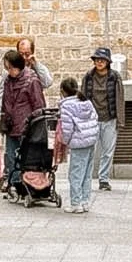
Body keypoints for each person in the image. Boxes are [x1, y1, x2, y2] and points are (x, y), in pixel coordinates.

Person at [0, 47, 47, 195]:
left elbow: (39, 105)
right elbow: (5, 101)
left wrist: (34, 125)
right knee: (11, 156)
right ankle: (14, 183)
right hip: (11, 125)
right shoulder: (8, 81)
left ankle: (26, 185)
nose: (8, 71)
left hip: (27, 127)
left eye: (10, 67)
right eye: (7, 68)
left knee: (26, 158)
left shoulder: (32, 80)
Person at [79, 46, 125, 192]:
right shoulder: (88, 76)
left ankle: (103, 179)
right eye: (97, 59)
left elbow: (120, 98)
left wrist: (120, 119)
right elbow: (83, 98)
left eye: (102, 60)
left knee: (107, 151)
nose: (99, 62)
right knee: (90, 150)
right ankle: (86, 178)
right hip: (92, 119)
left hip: (109, 118)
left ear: (107, 61)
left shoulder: (115, 77)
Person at [54, 76, 101, 213]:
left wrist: (66, 141)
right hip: (91, 141)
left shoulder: (67, 106)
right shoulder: (86, 102)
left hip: (78, 143)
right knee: (86, 173)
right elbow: (95, 118)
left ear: (63, 91)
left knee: (75, 174)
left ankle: (76, 203)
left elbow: (67, 129)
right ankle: (85, 201)